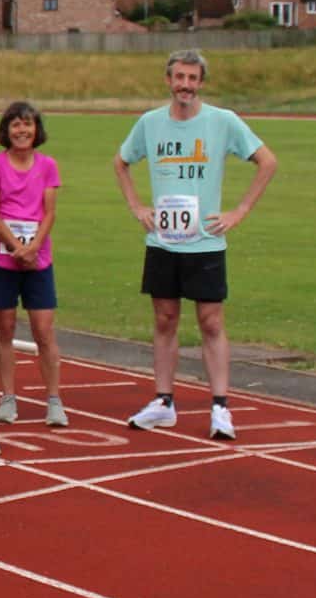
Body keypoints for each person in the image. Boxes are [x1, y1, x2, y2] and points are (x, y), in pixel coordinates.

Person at [112, 50, 278, 442]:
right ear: (168, 80)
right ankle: (164, 402)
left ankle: (220, 406)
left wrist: (239, 211)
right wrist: (137, 206)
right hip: (163, 241)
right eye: (179, 77)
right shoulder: (150, 124)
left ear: (201, 82)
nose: (185, 84)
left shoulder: (222, 122)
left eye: (192, 78)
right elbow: (121, 162)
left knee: (211, 322)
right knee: (165, 321)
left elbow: (267, 161)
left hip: (205, 242)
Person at [0, 100, 67, 428]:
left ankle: (54, 400)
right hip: (3, 258)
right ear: (6, 130)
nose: (22, 131)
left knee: (43, 331)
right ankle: (7, 397)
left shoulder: (47, 165)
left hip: (38, 260)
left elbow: (49, 212)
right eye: (16, 125)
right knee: (4, 329)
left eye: (28, 125)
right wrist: (15, 245)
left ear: (37, 130)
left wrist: (32, 247)